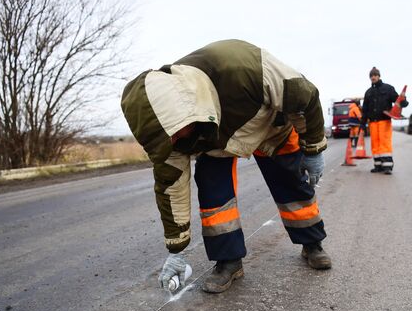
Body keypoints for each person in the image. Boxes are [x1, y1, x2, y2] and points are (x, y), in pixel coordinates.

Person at [121, 39, 332, 294]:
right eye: (168, 139)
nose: (174, 142)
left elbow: (304, 96)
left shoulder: (240, 66)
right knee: (213, 195)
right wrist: (176, 250)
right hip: (217, 142)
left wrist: (313, 147)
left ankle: (312, 244)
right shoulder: (171, 137)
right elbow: (171, 188)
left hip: (270, 128)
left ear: (186, 111)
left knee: (292, 184)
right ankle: (229, 261)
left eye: (174, 134)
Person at [360, 67, 408, 174]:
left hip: (384, 121)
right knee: (375, 144)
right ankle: (378, 165)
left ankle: (387, 166)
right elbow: (365, 109)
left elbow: (397, 100)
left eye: (375, 75)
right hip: (372, 122)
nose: (373, 77)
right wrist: (362, 123)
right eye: (371, 76)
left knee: (384, 142)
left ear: (379, 76)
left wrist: (403, 102)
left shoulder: (388, 89)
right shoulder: (368, 92)